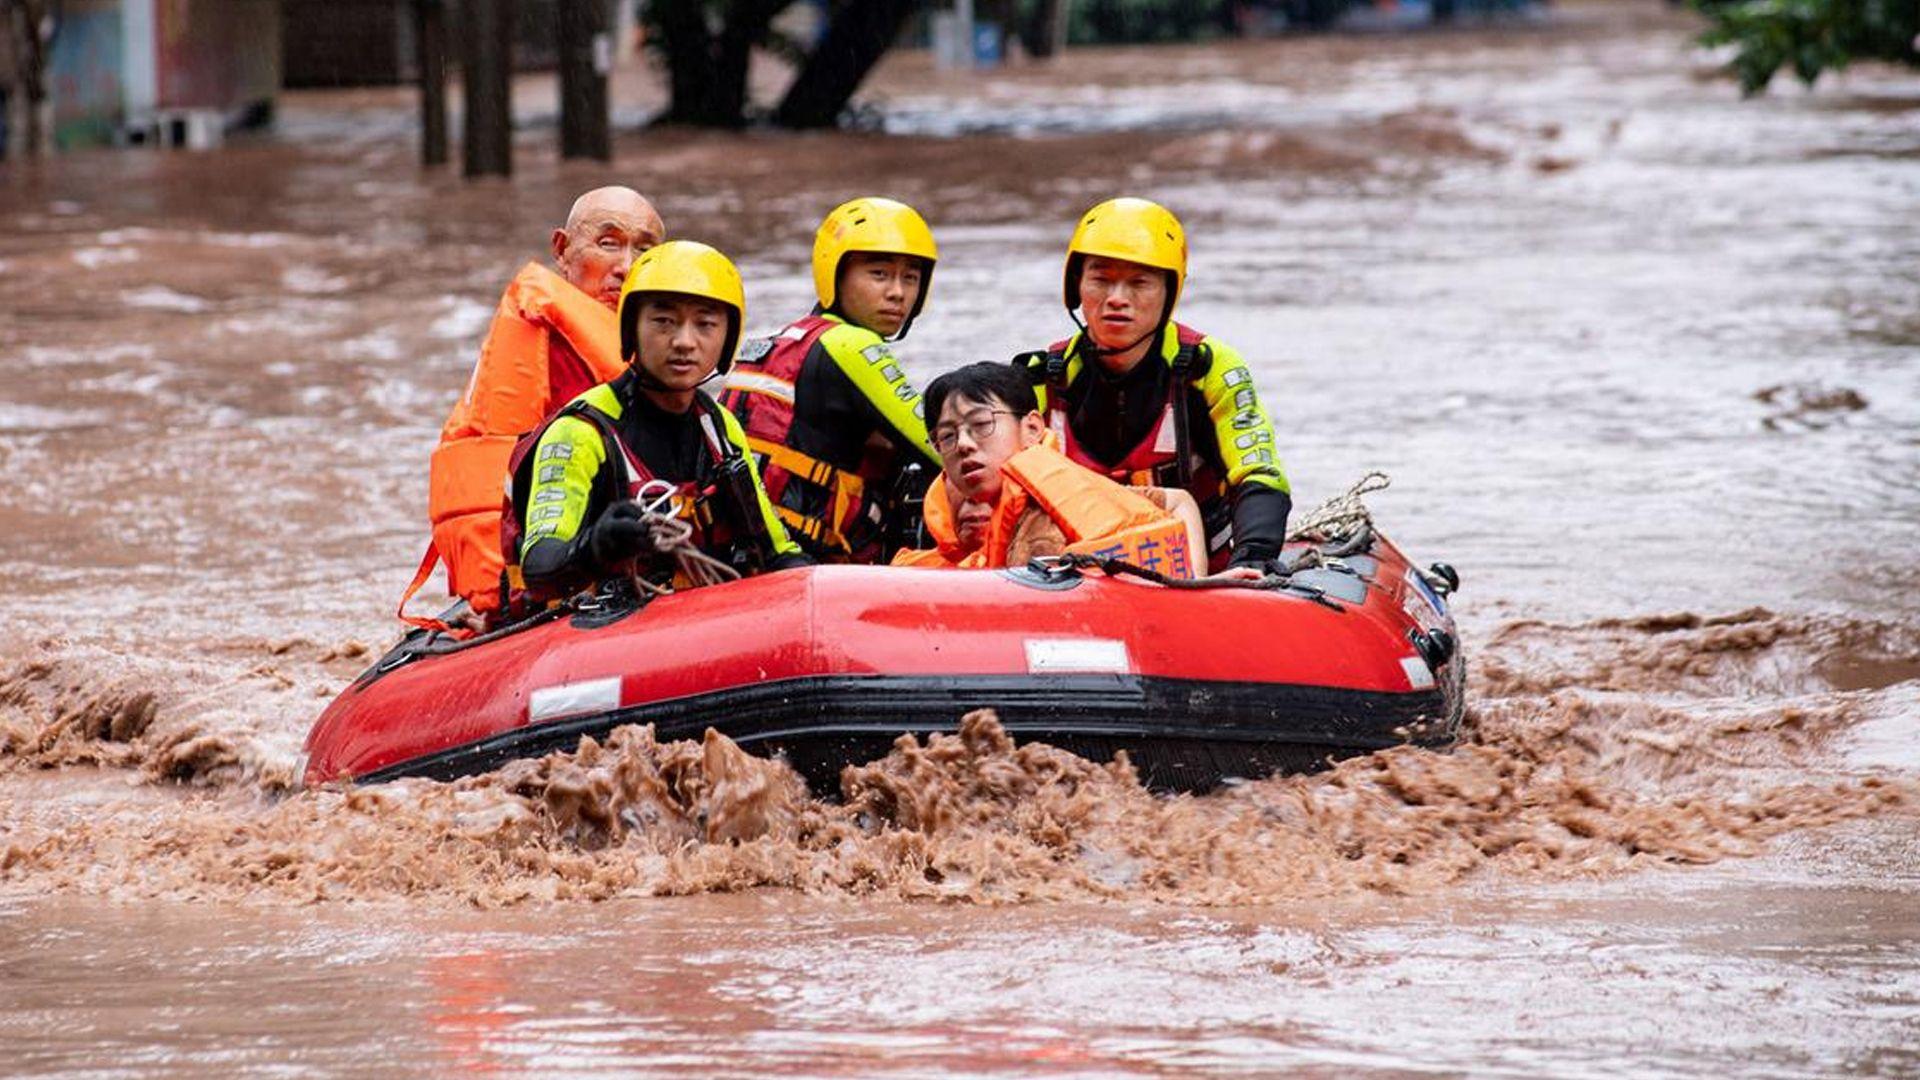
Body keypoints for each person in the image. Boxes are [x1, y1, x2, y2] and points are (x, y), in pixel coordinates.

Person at [403, 187, 665, 626]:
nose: (627, 267)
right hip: (537, 577)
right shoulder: (545, 338)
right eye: (608, 243)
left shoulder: (644, 345)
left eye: (645, 249)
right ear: (562, 249)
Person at [504, 240, 805, 607]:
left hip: (701, 621)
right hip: (598, 631)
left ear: (728, 340)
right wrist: (598, 544)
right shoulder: (581, 431)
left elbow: (776, 549)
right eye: (663, 322)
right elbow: (540, 568)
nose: (683, 342)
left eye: (705, 325)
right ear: (631, 329)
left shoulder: (720, 428)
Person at [1014, 197, 1292, 576]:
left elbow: (1259, 473)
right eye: (1101, 279)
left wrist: (1255, 558)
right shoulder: (1042, 376)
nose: (1117, 299)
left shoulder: (1209, 368)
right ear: (1076, 285)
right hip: (1073, 574)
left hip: (1206, 570)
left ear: (1168, 293)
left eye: (1139, 282)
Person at [719, 196, 942, 564]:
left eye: (911, 278)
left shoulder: (785, 341)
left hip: (745, 554)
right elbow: (938, 444)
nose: (897, 293)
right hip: (811, 564)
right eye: (879, 274)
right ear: (834, 275)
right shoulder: (851, 346)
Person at [892, 363, 1194, 574]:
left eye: (981, 425)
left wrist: (1194, 585)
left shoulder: (1075, 496)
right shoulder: (935, 550)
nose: (963, 444)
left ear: (1033, 428)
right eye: (947, 436)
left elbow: (1180, 502)